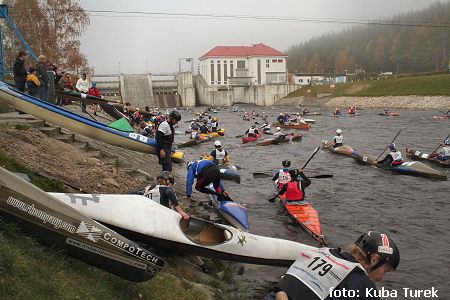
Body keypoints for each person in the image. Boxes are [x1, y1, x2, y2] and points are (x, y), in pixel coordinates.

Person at [267, 231, 400, 300]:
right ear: (375, 260)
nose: (382, 278)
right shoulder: (365, 288)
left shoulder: (324, 252)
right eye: (385, 270)